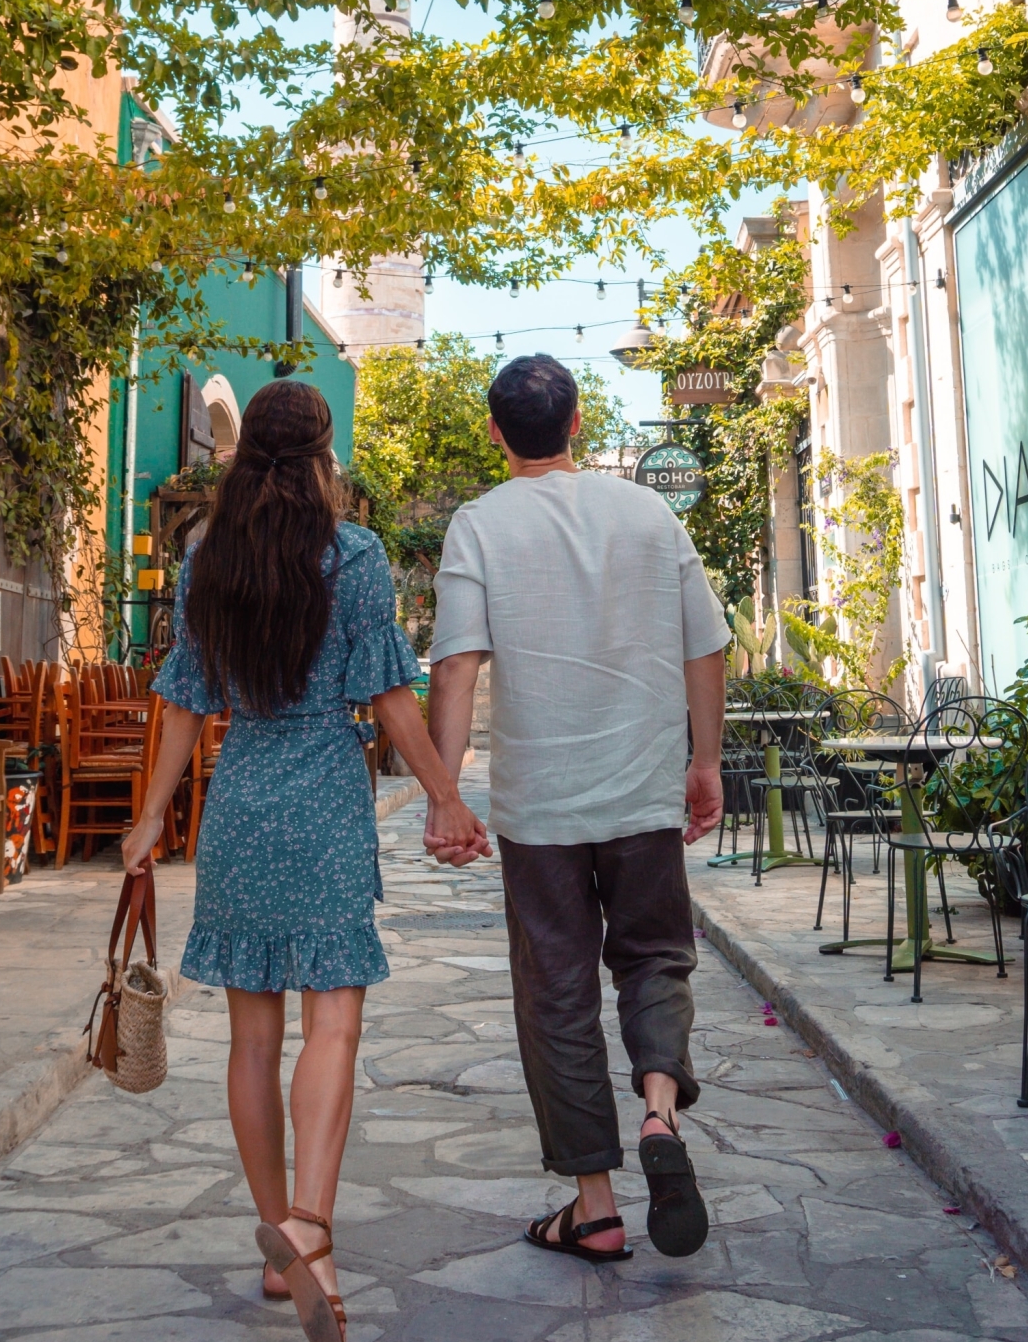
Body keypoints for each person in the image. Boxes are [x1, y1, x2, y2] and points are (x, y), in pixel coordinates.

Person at [123, 380, 486, 1342]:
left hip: (240, 795)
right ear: (325, 454)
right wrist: (445, 795)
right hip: (326, 794)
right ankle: (311, 1235)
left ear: (245, 456)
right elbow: (390, 694)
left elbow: (186, 698)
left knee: (251, 1036)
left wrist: (153, 815)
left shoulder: (208, 554)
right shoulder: (354, 553)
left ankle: (276, 1235)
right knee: (334, 1022)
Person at [424, 353, 729, 1264]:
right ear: (580, 421)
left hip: (541, 808)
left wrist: (447, 794)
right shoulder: (647, 510)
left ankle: (595, 1206)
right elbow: (707, 644)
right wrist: (704, 761)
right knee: (655, 959)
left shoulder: (478, 525)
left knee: (556, 990)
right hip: (640, 790)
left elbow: (456, 664)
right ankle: (661, 1112)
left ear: (493, 431)